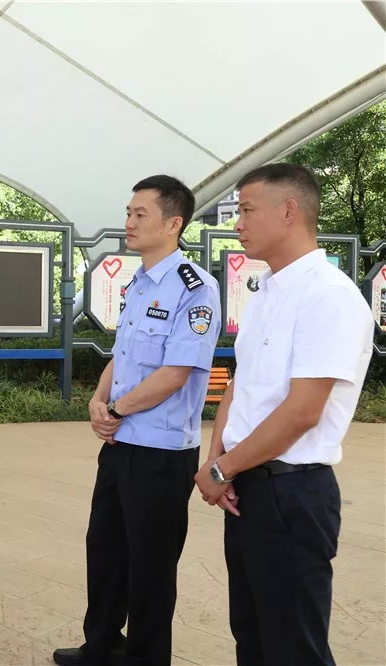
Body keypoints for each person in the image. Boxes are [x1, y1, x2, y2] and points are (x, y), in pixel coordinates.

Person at [194, 163, 373, 666]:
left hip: (292, 494)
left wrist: (219, 470)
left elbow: (301, 413)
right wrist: (219, 458)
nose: (238, 223)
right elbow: (240, 385)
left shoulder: (329, 296)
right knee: (251, 635)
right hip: (248, 484)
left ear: (288, 210)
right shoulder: (268, 292)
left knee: (293, 647)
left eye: (247, 210)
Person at [52, 176, 221, 666]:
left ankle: (147, 659)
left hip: (162, 452)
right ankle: (100, 645)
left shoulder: (197, 287)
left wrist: (117, 411)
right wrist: (98, 400)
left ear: (174, 223)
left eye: (140, 214)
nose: (129, 222)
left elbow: (175, 372)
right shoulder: (139, 280)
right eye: (129, 212)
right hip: (121, 443)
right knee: (105, 550)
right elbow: (122, 355)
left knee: (151, 568)